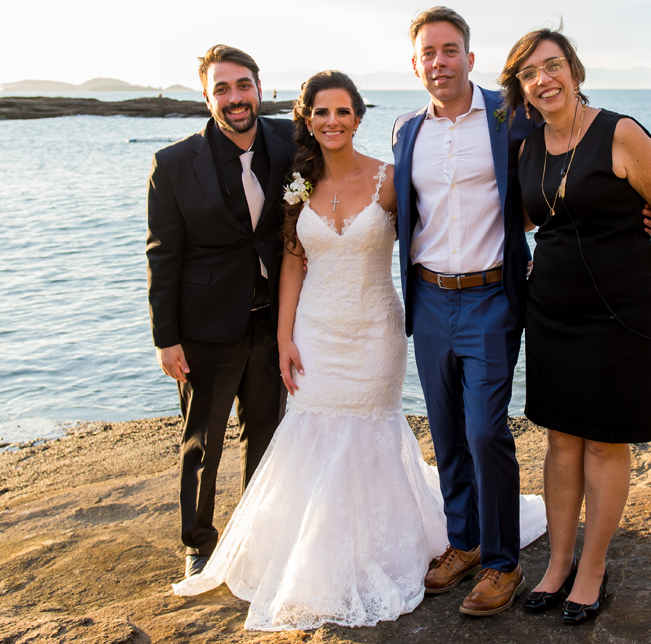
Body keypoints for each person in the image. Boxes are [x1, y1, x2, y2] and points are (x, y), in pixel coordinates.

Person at [173, 70, 545, 630]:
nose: (332, 122)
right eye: (321, 113)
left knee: (372, 428)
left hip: (376, 328)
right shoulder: (297, 185)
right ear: (307, 120)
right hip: (317, 330)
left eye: (343, 111)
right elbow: (295, 260)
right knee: (313, 427)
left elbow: (451, 216)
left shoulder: (392, 179)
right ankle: (315, 554)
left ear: (358, 117)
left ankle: (418, 546)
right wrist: (283, 336)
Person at [501, 27, 651, 625]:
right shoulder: (527, 146)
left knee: (606, 441)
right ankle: (557, 565)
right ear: (522, 88)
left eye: (552, 66)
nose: (543, 79)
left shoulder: (621, 132)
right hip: (551, 312)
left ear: (575, 71)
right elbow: (534, 216)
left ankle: (592, 569)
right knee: (559, 439)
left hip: (619, 310)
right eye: (530, 73)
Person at [390, 7, 540, 616]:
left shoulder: (511, 117)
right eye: (428, 52)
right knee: (447, 431)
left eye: (450, 50)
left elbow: (573, 149)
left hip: (490, 298)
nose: (439, 62)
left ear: (470, 59)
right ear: (416, 64)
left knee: (485, 430)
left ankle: (504, 563)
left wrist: (630, 208)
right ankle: (465, 542)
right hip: (427, 297)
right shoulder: (405, 130)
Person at [146, 44, 293, 580]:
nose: (235, 98)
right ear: (207, 97)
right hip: (205, 327)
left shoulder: (290, 141)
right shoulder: (173, 164)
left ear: (260, 88)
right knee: (202, 441)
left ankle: (257, 533)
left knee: (268, 435)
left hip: (274, 322)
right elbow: (162, 255)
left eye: (243, 86)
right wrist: (167, 338)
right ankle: (198, 543)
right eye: (222, 89)